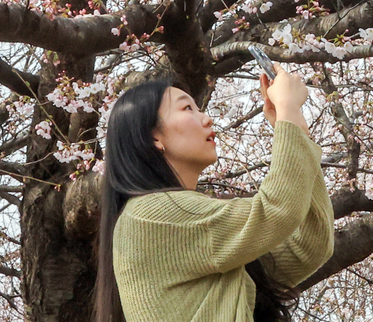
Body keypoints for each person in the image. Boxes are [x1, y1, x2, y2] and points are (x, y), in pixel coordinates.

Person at [92, 66, 336, 322]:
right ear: (154, 137)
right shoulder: (151, 215)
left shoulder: (188, 232)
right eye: (187, 108)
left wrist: (296, 130)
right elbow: (276, 210)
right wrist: (287, 112)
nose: (207, 118)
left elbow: (308, 247)